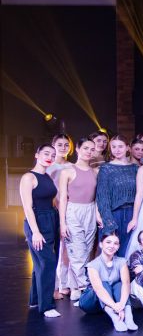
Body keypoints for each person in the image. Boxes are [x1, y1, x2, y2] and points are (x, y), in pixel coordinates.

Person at [19, 144, 61, 317]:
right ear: (37, 155)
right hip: (37, 221)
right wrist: (35, 232)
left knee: (41, 264)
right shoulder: (28, 177)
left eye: (52, 155)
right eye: (46, 153)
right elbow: (27, 207)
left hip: (51, 219)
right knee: (47, 262)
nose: (49, 157)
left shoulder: (47, 176)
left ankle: (35, 300)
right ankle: (47, 306)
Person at [57, 137, 99, 301]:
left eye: (92, 149)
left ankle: (74, 287)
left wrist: (97, 215)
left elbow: (97, 197)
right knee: (77, 253)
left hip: (90, 211)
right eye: (86, 148)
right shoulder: (67, 171)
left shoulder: (95, 172)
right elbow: (62, 198)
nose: (89, 152)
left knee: (86, 253)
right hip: (73, 211)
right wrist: (62, 223)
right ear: (78, 149)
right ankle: (86, 289)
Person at [78, 232, 137, 332]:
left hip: (111, 302)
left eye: (115, 243)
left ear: (118, 247)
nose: (112, 246)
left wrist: (122, 305)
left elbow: (126, 283)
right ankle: (115, 318)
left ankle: (128, 316)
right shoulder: (93, 265)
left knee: (119, 284)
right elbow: (98, 289)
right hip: (91, 301)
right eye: (108, 242)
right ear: (101, 244)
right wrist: (115, 307)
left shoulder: (121, 262)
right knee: (103, 284)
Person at [96, 135, 138, 257]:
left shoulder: (135, 168)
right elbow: (102, 196)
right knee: (111, 250)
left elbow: (140, 194)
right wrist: (108, 220)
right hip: (114, 213)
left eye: (120, 146)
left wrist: (136, 216)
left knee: (129, 250)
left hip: (132, 213)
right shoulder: (106, 168)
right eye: (113, 147)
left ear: (128, 148)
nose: (117, 150)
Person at [48, 134, 72, 300]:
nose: (63, 148)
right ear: (53, 146)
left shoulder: (72, 166)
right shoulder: (48, 167)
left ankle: (65, 283)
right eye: (60, 144)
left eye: (66, 145)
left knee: (66, 248)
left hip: (69, 208)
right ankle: (54, 285)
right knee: (54, 248)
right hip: (52, 209)